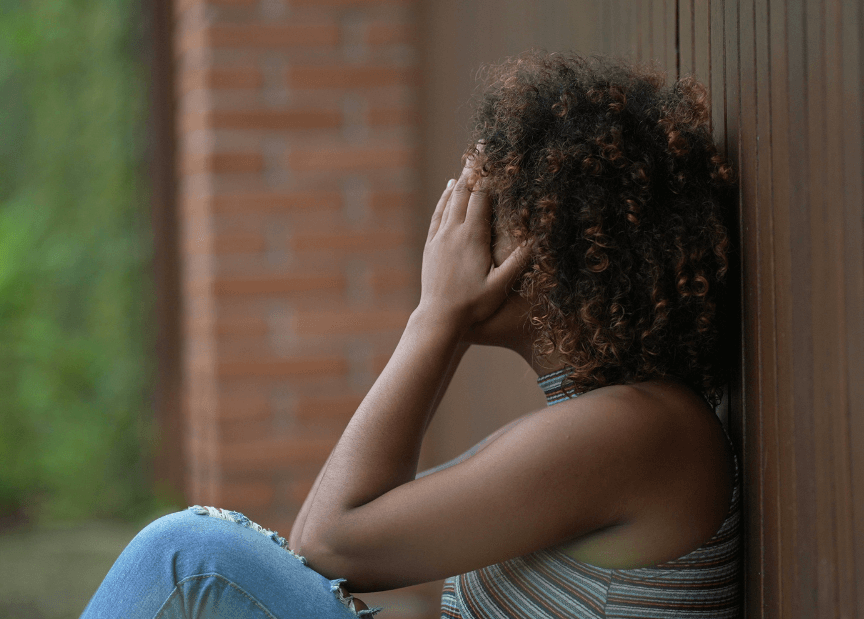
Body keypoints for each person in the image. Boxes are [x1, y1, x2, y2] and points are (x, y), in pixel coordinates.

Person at [81, 51, 740, 619]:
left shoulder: (636, 430)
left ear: (561, 251)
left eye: (488, 206)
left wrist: (436, 318)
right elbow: (343, 540)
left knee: (191, 557)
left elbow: (327, 545)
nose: (457, 227)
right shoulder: (616, 421)